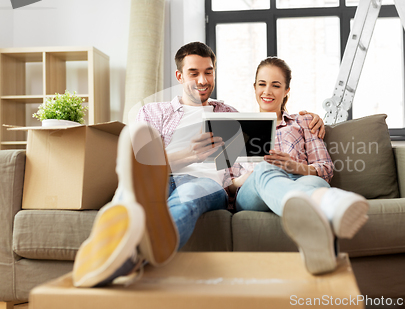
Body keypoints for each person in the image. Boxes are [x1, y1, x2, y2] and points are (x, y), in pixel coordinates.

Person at [72, 42, 328, 287]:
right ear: (179, 76)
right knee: (130, 191)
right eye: (193, 73)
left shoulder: (229, 114)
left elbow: (236, 174)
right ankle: (104, 246)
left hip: (203, 183)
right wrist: (187, 155)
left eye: (208, 72)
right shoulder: (152, 112)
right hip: (155, 178)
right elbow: (139, 163)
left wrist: (311, 119)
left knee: (187, 197)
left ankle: (134, 254)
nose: (203, 80)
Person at [223, 57, 369, 274]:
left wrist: (295, 166)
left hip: (301, 179)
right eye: (262, 84)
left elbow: (325, 169)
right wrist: (250, 175)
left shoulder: (303, 122)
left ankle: (315, 232)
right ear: (254, 87)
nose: (267, 91)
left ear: (287, 90)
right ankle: (329, 205)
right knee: (265, 168)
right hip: (254, 192)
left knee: (315, 181)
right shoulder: (236, 128)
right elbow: (227, 185)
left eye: (276, 85)